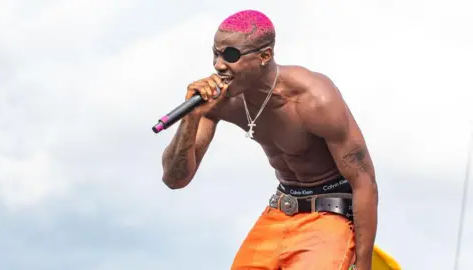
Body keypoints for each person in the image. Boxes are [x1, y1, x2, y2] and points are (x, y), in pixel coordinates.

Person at [160, 9, 378, 270]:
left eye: (230, 55)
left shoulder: (313, 99)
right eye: (215, 53)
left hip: (329, 217)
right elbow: (175, 179)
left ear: (265, 56)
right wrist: (191, 119)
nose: (218, 65)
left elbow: (364, 183)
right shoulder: (219, 101)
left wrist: (364, 265)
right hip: (279, 210)